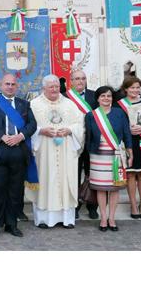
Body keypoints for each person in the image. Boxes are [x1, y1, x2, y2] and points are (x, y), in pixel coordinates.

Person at [0, 74, 37, 239]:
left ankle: (11, 225)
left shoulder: (24, 104)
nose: (10, 86)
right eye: (7, 84)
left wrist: (21, 136)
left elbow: (32, 125)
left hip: (18, 151)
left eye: (13, 84)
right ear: (1, 85)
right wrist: (2, 136)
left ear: (17, 86)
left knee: (15, 192)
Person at [29, 74, 85, 229]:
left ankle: (67, 219)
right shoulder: (34, 105)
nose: (54, 89)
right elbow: (28, 127)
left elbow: (80, 124)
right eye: (51, 87)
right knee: (46, 181)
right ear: (44, 88)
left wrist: (69, 130)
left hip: (66, 149)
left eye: (56, 86)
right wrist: (41, 131)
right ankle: (44, 219)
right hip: (43, 152)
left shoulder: (69, 104)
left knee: (65, 181)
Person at [85, 86, 133, 232]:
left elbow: (126, 133)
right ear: (98, 99)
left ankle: (112, 218)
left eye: (109, 96)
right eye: (103, 96)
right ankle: (103, 218)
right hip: (98, 156)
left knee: (114, 188)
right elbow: (88, 137)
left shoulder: (119, 113)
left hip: (116, 155)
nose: (106, 98)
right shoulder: (91, 115)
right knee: (101, 188)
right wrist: (89, 155)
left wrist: (130, 153)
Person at [117, 76, 141, 220]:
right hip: (128, 142)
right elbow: (116, 122)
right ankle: (133, 205)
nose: (135, 90)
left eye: (137, 87)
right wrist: (128, 129)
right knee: (131, 174)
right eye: (132, 87)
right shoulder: (119, 104)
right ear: (126, 89)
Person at [63, 69, 99, 220]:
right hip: (72, 141)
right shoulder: (64, 97)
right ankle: (75, 205)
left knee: (92, 174)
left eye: (83, 78)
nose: (80, 81)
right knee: (73, 174)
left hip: (91, 140)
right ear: (71, 81)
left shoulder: (94, 95)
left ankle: (92, 205)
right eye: (77, 79)